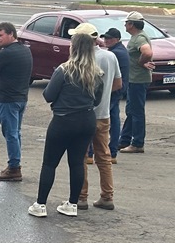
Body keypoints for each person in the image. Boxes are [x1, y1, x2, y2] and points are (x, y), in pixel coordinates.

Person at [28, 32, 103, 218]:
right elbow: (97, 100)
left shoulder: (64, 70)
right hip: (86, 120)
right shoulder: (97, 73)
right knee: (77, 162)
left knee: (49, 163)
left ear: (74, 48)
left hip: (64, 119)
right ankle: (72, 204)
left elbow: (48, 95)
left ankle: (41, 204)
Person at [77, 24, 122, 210]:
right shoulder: (110, 56)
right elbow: (118, 84)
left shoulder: (80, 59)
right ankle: (107, 195)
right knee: (103, 156)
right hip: (103, 114)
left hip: (83, 114)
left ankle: (81, 196)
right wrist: (103, 97)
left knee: (80, 156)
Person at [0, 22, 33, 182]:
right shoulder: (25, 50)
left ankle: (14, 167)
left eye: (0, 35)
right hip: (21, 97)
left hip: (8, 99)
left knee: (10, 133)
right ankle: (14, 163)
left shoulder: (7, 53)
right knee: (16, 132)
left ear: (11, 34)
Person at [118, 11, 152, 154]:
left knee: (137, 112)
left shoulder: (139, 38)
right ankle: (124, 140)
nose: (125, 25)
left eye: (126, 23)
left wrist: (141, 62)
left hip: (138, 80)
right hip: (134, 79)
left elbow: (147, 52)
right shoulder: (136, 37)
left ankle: (137, 143)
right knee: (131, 111)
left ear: (132, 24)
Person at [102, 27, 130, 160]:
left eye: (109, 38)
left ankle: (100, 150)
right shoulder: (120, 50)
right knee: (114, 118)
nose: (106, 40)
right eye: (105, 38)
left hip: (114, 89)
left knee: (104, 119)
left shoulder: (116, 53)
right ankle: (112, 151)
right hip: (119, 88)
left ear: (117, 39)